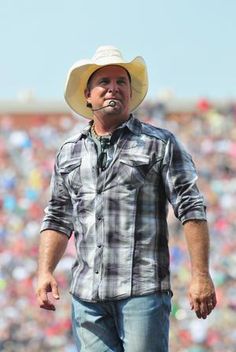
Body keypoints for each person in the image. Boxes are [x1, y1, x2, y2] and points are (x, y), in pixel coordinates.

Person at [36, 45, 217, 352]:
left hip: (143, 289)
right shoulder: (69, 150)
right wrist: (44, 272)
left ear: (130, 94)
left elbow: (191, 209)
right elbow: (57, 216)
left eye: (121, 82)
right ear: (88, 96)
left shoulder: (159, 143)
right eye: (104, 82)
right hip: (87, 295)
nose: (113, 88)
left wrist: (201, 275)